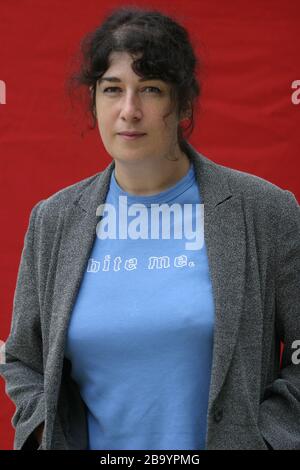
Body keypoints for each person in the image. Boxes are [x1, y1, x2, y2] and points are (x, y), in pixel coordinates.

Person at [0, 6, 299, 451]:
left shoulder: (265, 211)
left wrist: (265, 441)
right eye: (112, 89)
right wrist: (48, 432)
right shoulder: (54, 221)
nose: (129, 110)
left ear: (182, 103)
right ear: (94, 101)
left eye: (151, 89)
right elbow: (23, 358)